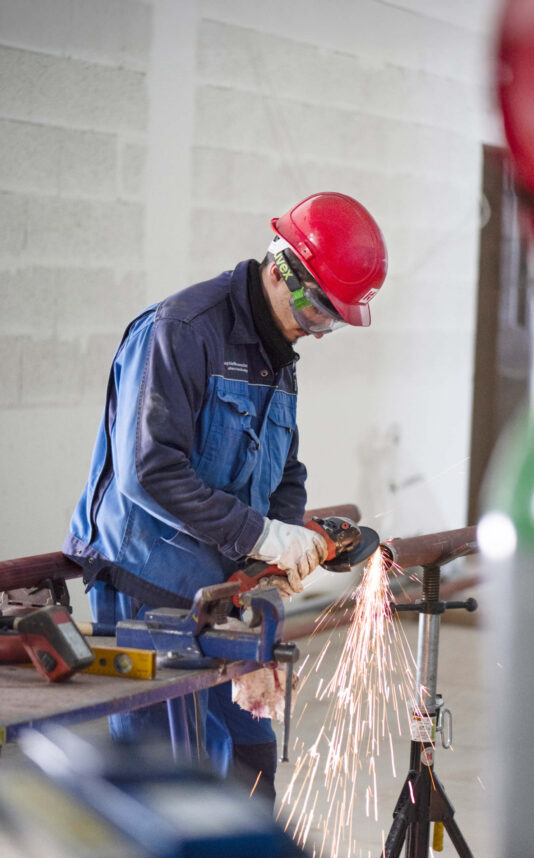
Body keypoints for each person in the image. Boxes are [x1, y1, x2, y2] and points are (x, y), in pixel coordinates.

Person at [63, 191, 388, 802]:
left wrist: (280, 551)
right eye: (318, 310)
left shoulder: (278, 354)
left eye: (332, 322)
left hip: (223, 589)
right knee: (174, 779)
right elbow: (148, 471)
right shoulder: (181, 330)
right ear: (281, 269)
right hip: (148, 585)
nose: (318, 331)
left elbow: (286, 469)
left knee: (248, 761)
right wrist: (261, 535)